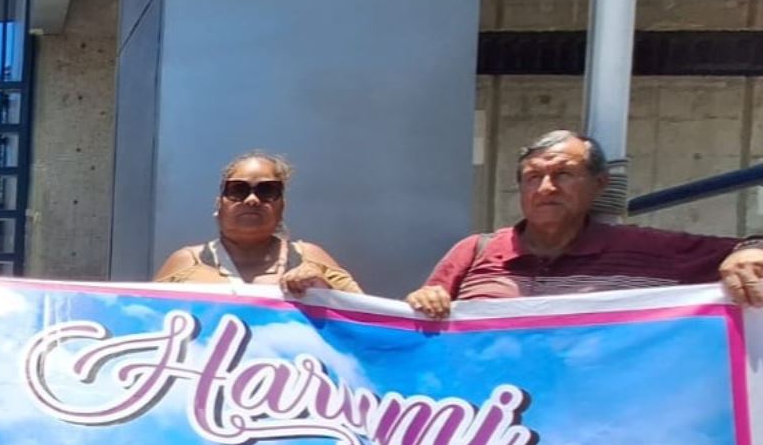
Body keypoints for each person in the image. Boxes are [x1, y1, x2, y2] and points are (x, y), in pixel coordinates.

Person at [406, 130, 763, 318]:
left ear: (599, 184)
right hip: (495, 435)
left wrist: (748, 252)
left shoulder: (650, 251)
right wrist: (425, 301)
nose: (546, 189)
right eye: (533, 178)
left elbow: (749, 250)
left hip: (595, 443)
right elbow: (422, 328)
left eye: (564, 174)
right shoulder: (474, 251)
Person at [151, 151, 362, 295]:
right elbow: (142, 321)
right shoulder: (186, 263)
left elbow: (370, 326)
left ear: (282, 206)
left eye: (267, 191)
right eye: (238, 190)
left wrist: (325, 294)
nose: (252, 200)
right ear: (219, 204)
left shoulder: (311, 258)